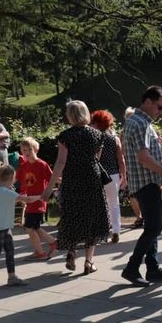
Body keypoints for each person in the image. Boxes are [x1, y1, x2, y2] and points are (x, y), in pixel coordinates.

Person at [40, 100, 111, 276]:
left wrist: (49, 187)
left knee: (72, 215)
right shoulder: (97, 134)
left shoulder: (65, 136)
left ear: (70, 115)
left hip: (72, 179)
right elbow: (97, 158)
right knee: (92, 217)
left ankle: (71, 252)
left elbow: (61, 162)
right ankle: (89, 261)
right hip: (92, 179)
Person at [121, 86, 162, 286]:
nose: (161, 112)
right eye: (159, 107)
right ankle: (131, 267)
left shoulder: (140, 122)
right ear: (147, 102)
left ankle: (152, 268)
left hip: (145, 182)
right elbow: (143, 158)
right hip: (146, 182)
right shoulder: (140, 124)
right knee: (154, 227)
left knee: (152, 226)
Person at [16, 137, 57, 259]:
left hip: (39, 201)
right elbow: (16, 179)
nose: (27, 152)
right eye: (24, 150)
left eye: (29, 149)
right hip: (30, 201)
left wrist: (61, 183)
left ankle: (43, 250)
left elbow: (52, 179)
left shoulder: (42, 164)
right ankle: (49, 245)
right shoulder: (24, 166)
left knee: (30, 227)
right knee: (35, 227)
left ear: (35, 150)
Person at [91, 109, 126, 244]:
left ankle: (102, 231)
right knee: (114, 203)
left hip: (97, 174)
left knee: (99, 204)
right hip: (113, 175)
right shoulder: (114, 139)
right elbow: (120, 159)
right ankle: (116, 231)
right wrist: (124, 175)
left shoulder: (93, 138)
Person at [121, 106, 144, 228]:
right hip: (131, 167)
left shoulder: (127, 131)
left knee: (137, 194)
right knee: (133, 195)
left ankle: (141, 217)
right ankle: (139, 217)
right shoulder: (124, 132)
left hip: (139, 167)